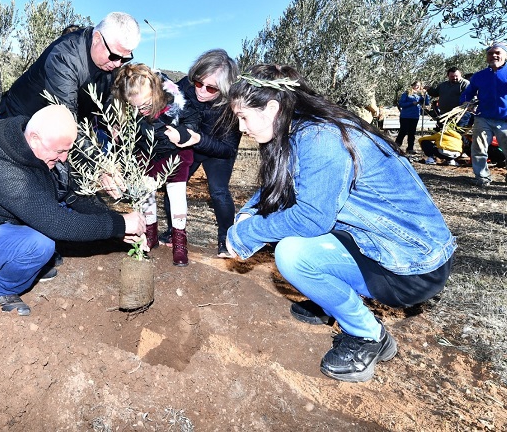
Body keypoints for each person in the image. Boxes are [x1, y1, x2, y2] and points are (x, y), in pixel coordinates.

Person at [225, 64, 456, 383]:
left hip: (412, 265)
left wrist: (248, 233)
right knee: (297, 246)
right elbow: (279, 187)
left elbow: (310, 219)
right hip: (380, 244)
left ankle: (368, 335)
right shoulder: (302, 130)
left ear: (272, 108)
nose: (241, 127)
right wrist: (249, 213)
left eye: (243, 117)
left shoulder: (320, 139)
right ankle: (330, 298)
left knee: (293, 254)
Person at [0, 104, 146, 316]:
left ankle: (26, 266)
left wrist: (118, 223)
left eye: (67, 150)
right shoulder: (2, 170)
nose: (64, 158)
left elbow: (75, 196)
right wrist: (119, 224)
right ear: (35, 139)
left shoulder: (41, 153)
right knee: (40, 244)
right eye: (60, 151)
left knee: (61, 207)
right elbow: (58, 224)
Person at [111, 64, 200, 266]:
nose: (141, 111)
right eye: (135, 107)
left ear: (156, 90)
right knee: (146, 194)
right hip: (146, 153)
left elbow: (193, 118)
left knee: (177, 196)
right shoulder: (127, 107)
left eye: (145, 105)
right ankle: (150, 233)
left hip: (175, 152)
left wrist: (183, 133)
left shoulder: (175, 97)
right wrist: (118, 133)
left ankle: (179, 241)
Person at [161, 49, 241, 258]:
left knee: (219, 192)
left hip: (218, 151)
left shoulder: (231, 108)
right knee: (174, 184)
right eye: (198, 83)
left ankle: (226, 239)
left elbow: (228, 149)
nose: (202, 91)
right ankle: (174, 231)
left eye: (211, 88)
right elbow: (168, 106)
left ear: (224, 90)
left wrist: (199, 139)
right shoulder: (186, 87)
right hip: (190, 145)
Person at [0, 12, 141, 122]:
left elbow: (108, 101)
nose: (117, 64)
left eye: (125, 58)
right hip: (20, 119)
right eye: (114, 56)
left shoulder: (110, 59)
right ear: (97, 38)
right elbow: (66, 118)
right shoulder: (64, 58)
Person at [460, 42, 507, 186]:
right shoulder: (479, 76)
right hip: (483, 117)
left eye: (498, 53)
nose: (494, 55)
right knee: (478, 148)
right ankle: (482, 178)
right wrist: (466, 103)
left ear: (506, 55)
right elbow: (468, 93)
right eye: (490, 53)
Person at [395, 81, 429, 155]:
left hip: (415, 116)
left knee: (412, 132)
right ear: (412, 85)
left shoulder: (421, 94)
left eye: (419, 86)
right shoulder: (407, 93)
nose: (417, 87)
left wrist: (426, 95)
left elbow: (426, 103)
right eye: (416, 85)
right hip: (405, 116)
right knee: (403, 131)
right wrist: (411, 103)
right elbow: (401, 104)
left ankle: (410, 148)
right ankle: (396, 146)